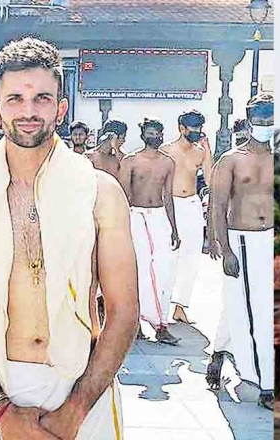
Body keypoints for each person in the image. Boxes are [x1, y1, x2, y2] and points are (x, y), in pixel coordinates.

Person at [0, 37, 137, 440]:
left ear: (60, 109)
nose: (28, 111)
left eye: (42, 98)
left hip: (80, 386)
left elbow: (124, 311)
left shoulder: (100, 192)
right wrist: (1, 411)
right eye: (15, 99)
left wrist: (76, 409)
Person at [207, 93, 275, 410]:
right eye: (260, 122)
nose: (265, 127)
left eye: (270, 122)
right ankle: (264, 384)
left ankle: (222, 352)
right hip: (243, 240)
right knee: (252, 312)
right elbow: (217, 206)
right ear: (249, 123)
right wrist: (225, 249)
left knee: (260, 308)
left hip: (273, 240)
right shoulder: (231, 160)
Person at [118, 117, 182, 345]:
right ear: (144, 135)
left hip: (159, 219)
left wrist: (174, 228)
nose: (154, 136)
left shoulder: (168, 162)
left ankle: (161, 323)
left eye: (158, 133)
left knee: (164, 271)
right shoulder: (130, 161)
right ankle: (137, 324)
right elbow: (123, 196)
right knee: (140, 271)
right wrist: (120, 228)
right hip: (136, 217)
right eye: (151, 133)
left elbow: (168, 197)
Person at [160, 110, 213, 325]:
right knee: (167, 259)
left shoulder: (200, 152)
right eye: (193, 128)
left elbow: (209, 180)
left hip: (191, 205)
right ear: (182, 128)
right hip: (169, 206)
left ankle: (180, 307)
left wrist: (208, 152)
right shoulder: (166, 150)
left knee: (191, 258)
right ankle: (160, 309)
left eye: (199, 128)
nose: (197, 132)